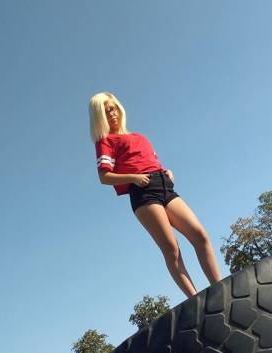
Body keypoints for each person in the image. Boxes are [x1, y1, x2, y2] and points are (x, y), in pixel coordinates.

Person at [89, 91, 222, 297]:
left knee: (199, 235)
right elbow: (104, 176)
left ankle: (220, 288)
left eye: (112, 109)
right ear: (100, 118)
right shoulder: (106, 141)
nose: (111, 114)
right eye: (105, 113)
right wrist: (133, 178)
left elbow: (152, 162)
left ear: (119, 108)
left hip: (164, 184)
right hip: (142, 192)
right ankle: (195, 300)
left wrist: (168, 171)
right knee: (171, 248)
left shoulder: (140, 137)